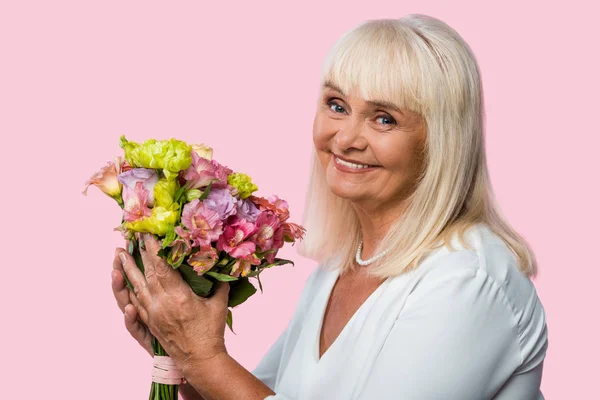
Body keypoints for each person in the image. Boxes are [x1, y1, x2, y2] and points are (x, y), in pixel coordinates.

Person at [112, 14, 549, 399]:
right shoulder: (341, 268)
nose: (344, 139)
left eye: (384, 119)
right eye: (337, 106)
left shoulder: (466, 280)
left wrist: (203, 354)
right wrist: (175, 347)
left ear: (442, 143)